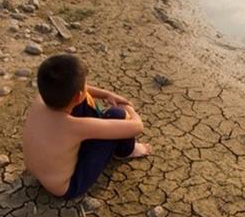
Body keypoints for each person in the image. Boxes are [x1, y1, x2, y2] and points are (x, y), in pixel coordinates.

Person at [22, 54, 151, 198]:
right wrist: (128, 108)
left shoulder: (40, 100)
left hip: (37, 171)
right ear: (78, 95)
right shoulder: (76, 127)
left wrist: (106, 94)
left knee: (77, 100)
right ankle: (127, 151)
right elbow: (137, 127)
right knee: (117, 114)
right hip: (68, 186)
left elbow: (79, 91)